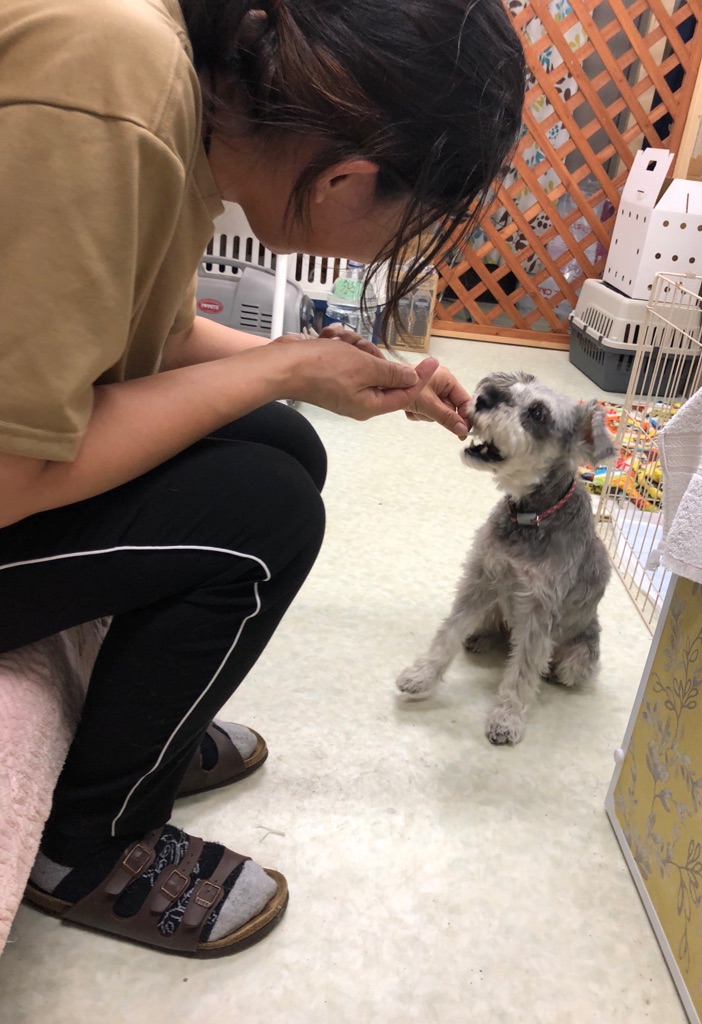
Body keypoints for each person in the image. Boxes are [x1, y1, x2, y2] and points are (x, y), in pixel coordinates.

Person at [0, 0, 525, 957]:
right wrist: (283, 366)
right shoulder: (115, 82)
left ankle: (137, 731)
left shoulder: (184, 91)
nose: (394, 247)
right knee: (263, 514)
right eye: (410, 224)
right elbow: (12, 475)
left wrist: (322, 374)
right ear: (347, 178)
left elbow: (145, 338)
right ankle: (85, 848)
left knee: (285, 444)